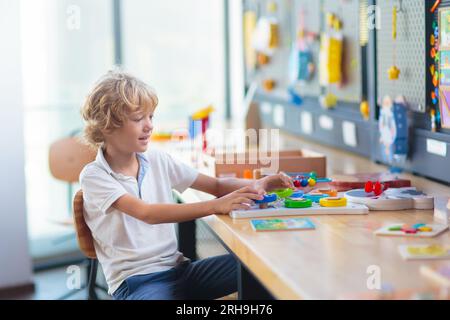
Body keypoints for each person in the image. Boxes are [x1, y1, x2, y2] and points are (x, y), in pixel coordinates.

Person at [79, 71, 294, 300]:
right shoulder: (94, 175)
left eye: (151, 116)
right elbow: (147, 213)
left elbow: (218, 185)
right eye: (138, 118)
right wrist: (216, 206)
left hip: (181, 271)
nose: (149, 125)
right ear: (106, 126)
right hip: (137, 283)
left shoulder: (157, 160)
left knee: (262, 269)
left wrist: (258, 183)